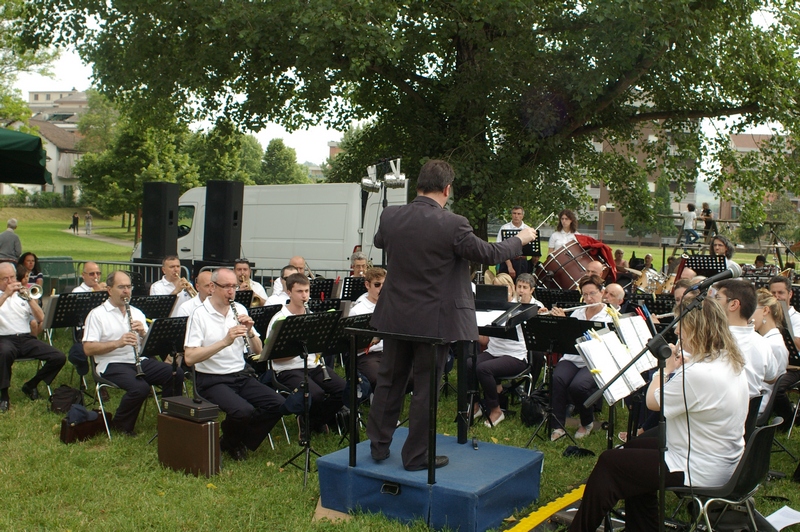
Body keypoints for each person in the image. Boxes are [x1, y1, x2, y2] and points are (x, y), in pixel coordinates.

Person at [366, 159, 538, 471]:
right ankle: (416, 456)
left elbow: (380, 241)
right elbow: (489, 254)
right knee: (424, 389)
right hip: (434, 320)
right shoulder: (453, 224)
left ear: (418, 185)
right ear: (447, 189)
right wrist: (520, 240)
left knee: (389, 382)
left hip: (395, 315)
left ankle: (378, 446)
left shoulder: (391, 215)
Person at [569, 293, 748, 531]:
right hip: (717, 456)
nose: (676, 332)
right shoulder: (726, 358)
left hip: (697, 466)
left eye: (680, 326)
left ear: (696, 329)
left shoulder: (698, 375)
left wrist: (664, 369)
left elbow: (654, 401)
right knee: (631, 450)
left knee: (610, 462)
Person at [184, 268, 285, 460]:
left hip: (239, 374)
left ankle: (235, 441)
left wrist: (250, 331)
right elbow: (189, 357)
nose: (231, 291)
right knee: (243, 411)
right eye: (226, 286)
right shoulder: (199, 315)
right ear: (213, 287)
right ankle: (231, 443)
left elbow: (258, 350)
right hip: (211, 379)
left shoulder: (239, 309)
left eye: (234, 286)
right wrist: (224, 341)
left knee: (277, 403)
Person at [83, 271, 183, 436]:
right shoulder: (97, 315)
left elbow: (148, 346)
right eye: (121, 287)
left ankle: (171, 419)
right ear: (109, 290)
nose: (126, 291)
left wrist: (144, 333)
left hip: (137, 359)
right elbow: (88, 349)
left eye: (129, 287)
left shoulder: (136, 312)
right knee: (140, 388)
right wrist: (117, 343)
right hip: (110, 363)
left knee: (174, 373)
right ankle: (121, 426)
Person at [267, 273, 346, 433]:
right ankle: (314, 420)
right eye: (299, 291)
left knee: (344, 389)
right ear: (289, 292)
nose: (304, 296)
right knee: (315, 393)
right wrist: (301, 347)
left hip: (313, 366)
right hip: (288, 369)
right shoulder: (280, 319)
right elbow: (275, 357)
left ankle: (312, 420)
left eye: (307, 291)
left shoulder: (311, 316)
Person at [548, 275, 613, 441]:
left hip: (594, 361)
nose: (588, 298)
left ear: (602, 292)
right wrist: (560, 322)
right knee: (558, 378)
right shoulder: (578, 312)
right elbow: (566, 339)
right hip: (572, 358)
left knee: (579, 386)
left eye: (592, 294)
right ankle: (558, 425)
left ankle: (587, 421)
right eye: (585, 295)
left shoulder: (609, 316)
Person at [0, 263, 66, 412]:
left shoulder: (22, 296)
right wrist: (5, 295)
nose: (10, 281)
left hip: (25, 338)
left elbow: (42, 318)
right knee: (4, 353)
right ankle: (3, 395)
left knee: (58, 356)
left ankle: (31, 384)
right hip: (3, 338)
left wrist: (29, 299)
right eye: (5, 279)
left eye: (12, 277)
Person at [469, 273, 529, 428]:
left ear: (511, 289)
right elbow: (484, 340)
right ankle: (475, 404)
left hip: (515, 356)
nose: (500, 292)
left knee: (483, 368)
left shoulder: (519, 308)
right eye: (496, 288)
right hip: (493, 351)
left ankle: (496, 409)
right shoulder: (492, 308)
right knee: (470, 363)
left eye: (504, 288)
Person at [713, 279, 778, 399]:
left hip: (720, 412)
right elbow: (772, 378)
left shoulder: (711, 338)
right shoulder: (762, 342)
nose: (712, 303)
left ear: (733, 304)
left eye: (717, 298)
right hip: (751, 414)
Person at [768, 275, 800, 430]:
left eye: (780, 293)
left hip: (793, 367)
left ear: (790, 294)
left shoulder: (797, 318)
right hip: (771, 361)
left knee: (777, 387)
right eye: (773, 293)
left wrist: (778, 332)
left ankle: (787, 419)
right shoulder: (765, 315)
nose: (776, 297)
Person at [348, 267, 387, 390]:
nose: (381, 288)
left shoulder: (390, 306)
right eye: (377, 285)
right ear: (367, 285)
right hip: (366, 355)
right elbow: (352, 343)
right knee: (379, 379)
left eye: (384, 285)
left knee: (411, 377)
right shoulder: (357, 310)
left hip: (389, 352)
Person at [753, 288, 789, 415]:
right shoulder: (769, 340)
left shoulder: (773, 344)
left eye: (752, 309)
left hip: (757, 403)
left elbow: (769, 383)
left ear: (765, 310)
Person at [68, 262, 107, 379]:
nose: (96, 276)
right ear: (83, 275)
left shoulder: (105, 289)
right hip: (84, 329)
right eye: (91, 274)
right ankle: (100, 379)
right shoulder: (78, 291)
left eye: (98, 273)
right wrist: (96, 292)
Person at [497, 206, 531, 280]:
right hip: (507, 261)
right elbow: (501, 249)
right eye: (514, 213)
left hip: (522, 262)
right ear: (511, 215)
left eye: (519, 214)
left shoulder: (527, 229)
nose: (516, 216)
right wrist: (510, 266)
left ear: (522, 216)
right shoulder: (504, 228)